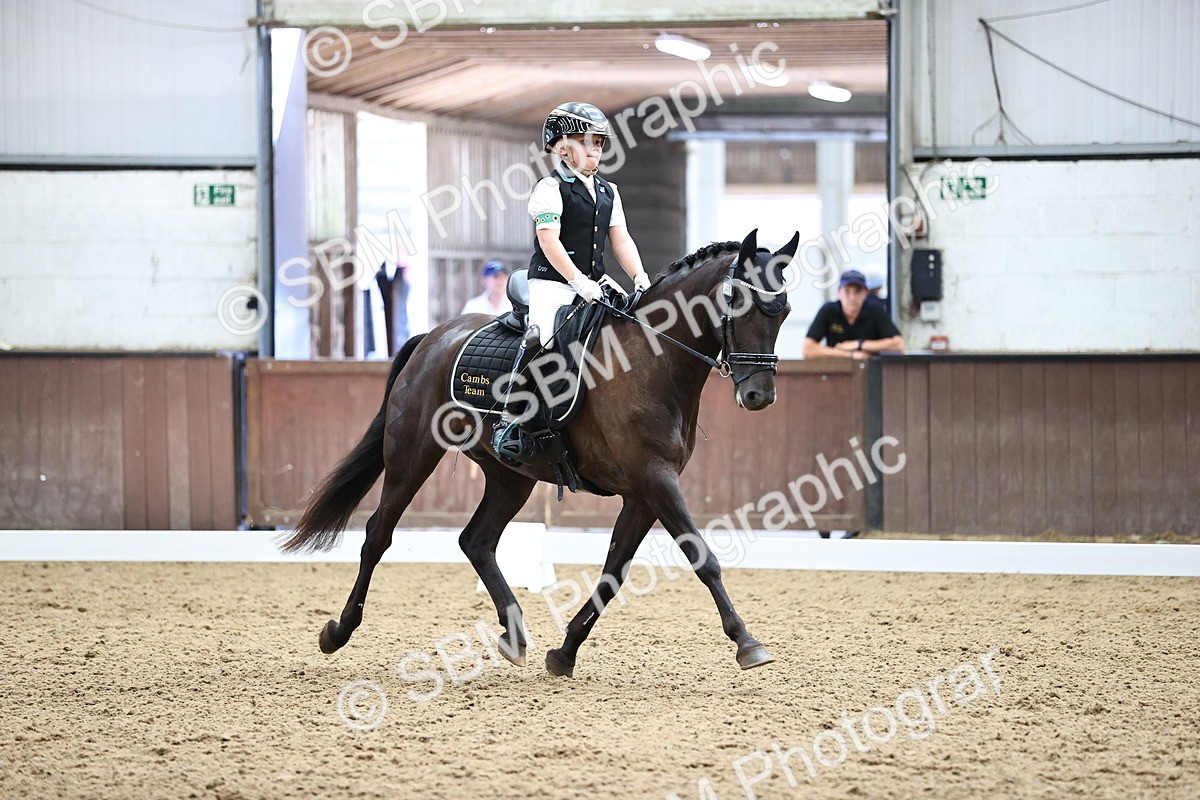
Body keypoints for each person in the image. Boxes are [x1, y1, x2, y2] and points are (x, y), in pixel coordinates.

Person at [526, 101, 650, 348]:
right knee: (545, 343)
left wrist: (639, 276)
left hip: (595, 283)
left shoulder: (609, 191)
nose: (595, 149)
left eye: (598, 143)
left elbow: (621, 239)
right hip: (553, 283)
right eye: (585, 142)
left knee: (633, 326)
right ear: (562, 149)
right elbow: (548, 241)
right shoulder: (549, 189)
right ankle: (520, 385)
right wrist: (578, 281)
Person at [802, 269, 905, 360]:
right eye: (847, 291)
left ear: (865, 293)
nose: (852, 298)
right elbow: (808, 349)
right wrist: (849, 355)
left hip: (870, 374)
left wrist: (859, 344)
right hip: (837, 373)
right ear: (838, 292)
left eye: (857, 292)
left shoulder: (875, 310)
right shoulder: (828, 310)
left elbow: (898, 344)